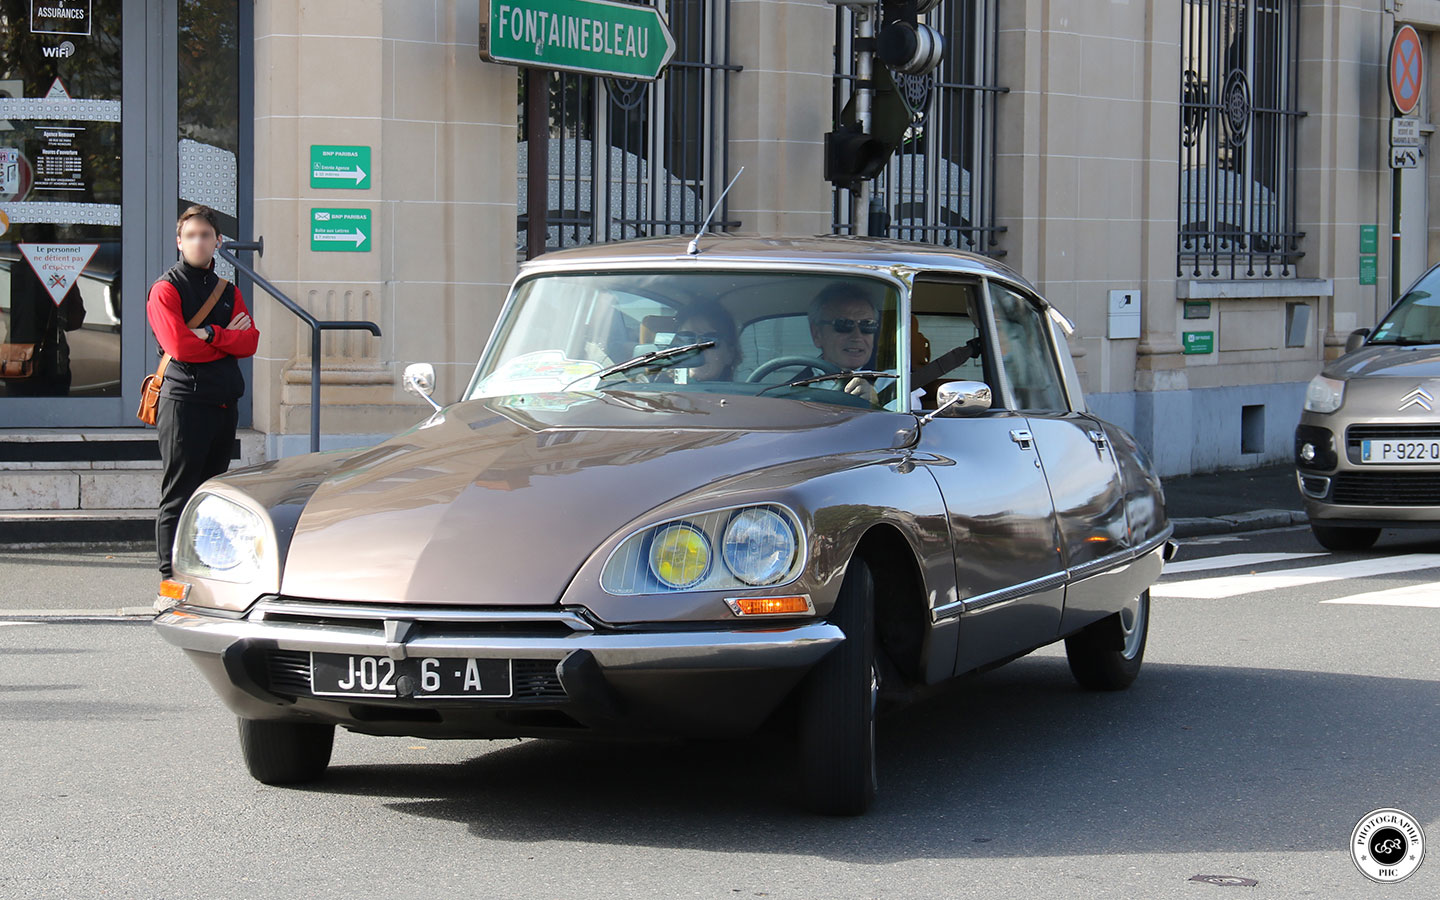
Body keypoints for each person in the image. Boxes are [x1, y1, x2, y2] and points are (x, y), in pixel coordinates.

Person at [147, 205, 259, 603]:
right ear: (179, 242)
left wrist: (209, 334)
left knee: (211, 496)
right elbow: (179, 347)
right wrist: (225, 337)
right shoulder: (166, 289)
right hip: (184, 403)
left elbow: (250, 342)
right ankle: (169, 583)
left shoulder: (229, 291)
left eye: (206, 235)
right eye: (191, 235)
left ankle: (206, 576)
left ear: (218, 242)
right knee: (179, 494)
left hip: (223, 403)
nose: (198, 242)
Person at [808, 283, 884, 402]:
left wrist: (876, 406)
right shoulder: (790, 389)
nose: (857, 336)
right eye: (843, 325)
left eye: (868, 325)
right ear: (817, 334)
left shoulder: (896, 386)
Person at [674, 300, 739, 382]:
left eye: (709, 340)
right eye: (688, 338)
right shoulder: (660, 387)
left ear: (730, 354)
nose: (696, 349)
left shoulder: (743, 390)